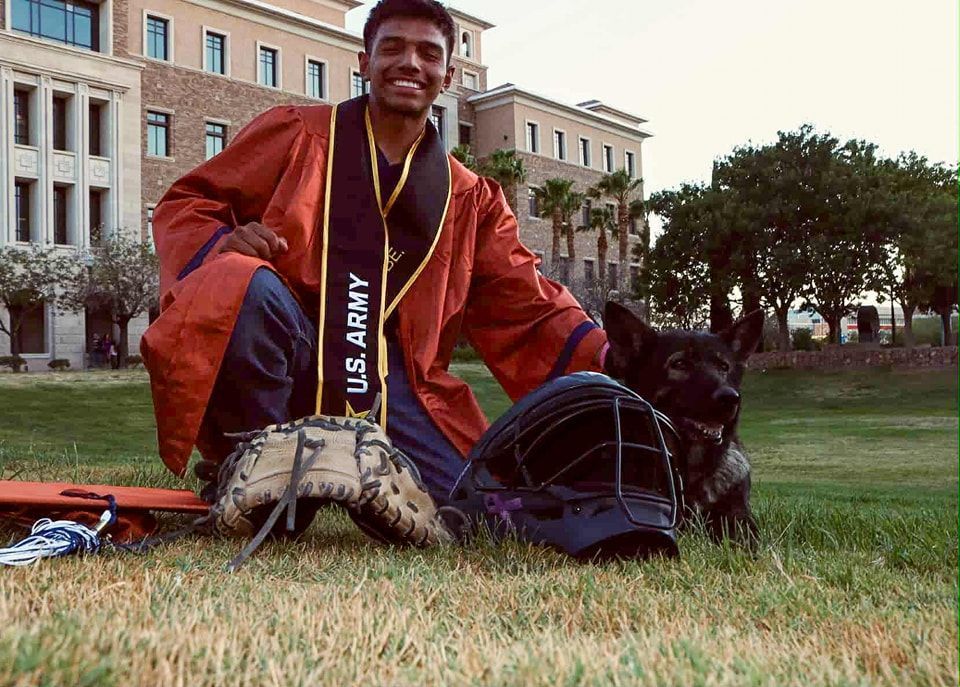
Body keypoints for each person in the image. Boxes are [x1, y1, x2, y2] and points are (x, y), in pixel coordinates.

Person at [142, 0, 609, 504]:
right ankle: (251, 469)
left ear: (447, 76)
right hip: (292, 351)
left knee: (475, 506)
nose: (410, 63)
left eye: (428, 54)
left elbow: (527, 301)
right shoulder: (299, 135)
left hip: (395, 383)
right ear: (364, 62)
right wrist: (223, 245)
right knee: (239, 282)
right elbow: (188, 204)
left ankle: (356, 470)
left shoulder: (470, 198)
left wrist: (610, 355)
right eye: (393, 48)